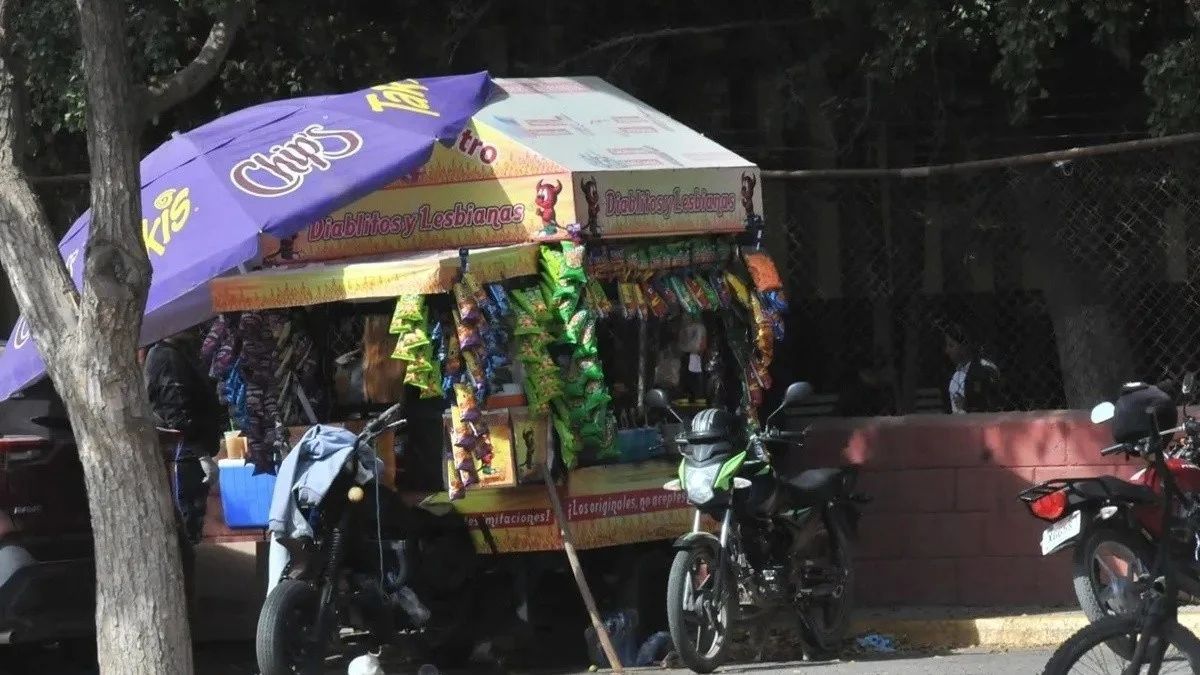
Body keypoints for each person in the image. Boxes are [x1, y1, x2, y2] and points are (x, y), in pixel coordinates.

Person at [142, 330, 223, 598]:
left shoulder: (177, 354)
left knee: (190, 532)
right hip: (184, 455)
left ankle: (187, 600)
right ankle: (182, 602)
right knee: (184, 532)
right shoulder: (166, 357)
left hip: (190, 453)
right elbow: (177, 414)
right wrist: (200, 453)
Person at [941, 322, 1004, 414]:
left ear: (964, 346)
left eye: (951, 345)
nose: (947, 351)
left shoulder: (985, 369)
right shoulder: (952, 374)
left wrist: (967, 406)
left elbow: (993, 404)